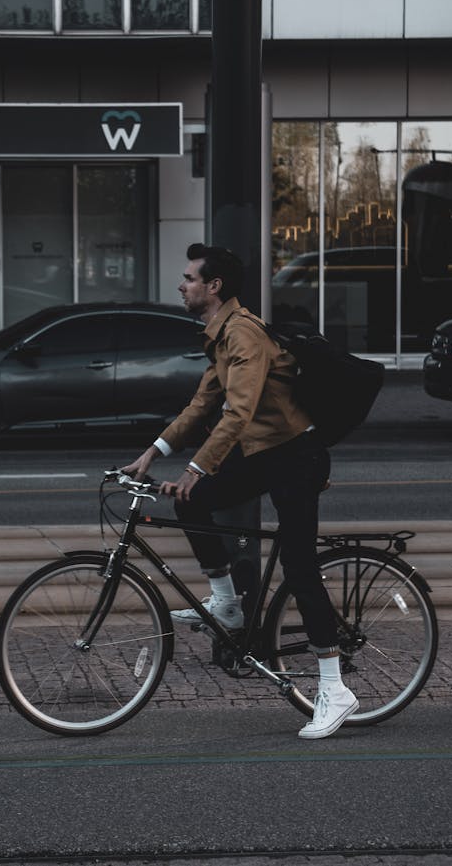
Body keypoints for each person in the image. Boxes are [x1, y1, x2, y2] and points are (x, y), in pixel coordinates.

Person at [123, 243, 359, 740]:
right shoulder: (222, 334)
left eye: (189, 278)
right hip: (268, 456)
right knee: (193, 500)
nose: (181, 285)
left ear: (214, 287)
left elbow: (239, 411)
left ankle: (334, 689)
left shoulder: (244, 334)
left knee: (299, 567)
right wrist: (153, 451)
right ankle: (226, 602)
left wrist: (196, 466)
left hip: (296, 457)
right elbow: (201, 402)